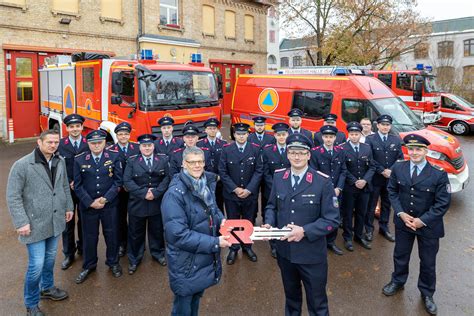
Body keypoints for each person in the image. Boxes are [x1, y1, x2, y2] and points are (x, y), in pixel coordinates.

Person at [263, 133, 339, 316]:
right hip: (285, 253)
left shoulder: (322, 181)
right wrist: (268, 223)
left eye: (301, 152)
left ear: (308, 155)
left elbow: (332, 219)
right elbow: (272, 206)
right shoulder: (279, 177)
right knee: (291, 299)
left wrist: (304, 231)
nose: (297, 157)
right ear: (287, 154)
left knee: (317, 302)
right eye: (293, 152)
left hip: (311, 255)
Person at [7, 129, 74, 316]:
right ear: (39, 142)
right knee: (36, 265)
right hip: (33, 225)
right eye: (49, 142)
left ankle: (47, 288)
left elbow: (63, 187)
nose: (53, 145)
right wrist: (21, 222)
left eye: (56, 142)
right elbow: (13, 197)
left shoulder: (59, 161)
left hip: (55, 221)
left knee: (50, 259)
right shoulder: (22, 165)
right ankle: (31, 303)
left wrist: (69, 207)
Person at [383, 134, 451, 315]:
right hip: (403, 222)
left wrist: (422, 221)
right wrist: (400, 213)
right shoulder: (399, 167)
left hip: (429, 226)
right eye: (411, 149)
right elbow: (392, 191)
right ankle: (398, 281)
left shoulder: (438, 173)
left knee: (428, 262)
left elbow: (442, 203)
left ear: (426, 151)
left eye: (418, 149)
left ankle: (427, 293)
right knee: (400, 255)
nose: (414, 153)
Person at [161, 146, 232, 316]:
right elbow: (178, 235)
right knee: (183, 308)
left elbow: (213, 209)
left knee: (195, 301)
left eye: (200, 162)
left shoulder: (203, 184)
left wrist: (222, 220)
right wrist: (215, 242)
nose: (197, 166)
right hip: (186, 262)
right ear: (184, 164)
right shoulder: (174, 195)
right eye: (192, 162)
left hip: (201, 258)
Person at [73, 130, 123, 284]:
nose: (96, 145)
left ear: (104, 143)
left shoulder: (114, 156)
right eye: (93, 143)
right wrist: (90, 202)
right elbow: (77, 185)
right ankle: (89, 265)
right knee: (89, 237)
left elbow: (118, 182)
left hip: (109, 206)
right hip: (88, 207)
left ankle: (113, 262)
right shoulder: (79, 159)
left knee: (112, 235)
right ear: (88, 143)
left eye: (99, 142)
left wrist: (105, 199)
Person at [123, 134, 170, 273]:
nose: (147, 148)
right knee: (135, 233)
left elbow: (167, 178)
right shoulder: (132, 161)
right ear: (140, 147)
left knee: (157, 230)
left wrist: (155, 193)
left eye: (149, 145)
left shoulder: (162, 159)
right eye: (144, 145)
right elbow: (127, 181)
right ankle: (134, 258)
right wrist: (144, 193)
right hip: (138, 203)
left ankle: (158, 253)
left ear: (153, 146)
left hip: (156, 202)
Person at [218, 122, 263, 265]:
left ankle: (247, 246)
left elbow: (259, 171)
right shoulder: (226, 150)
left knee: (248, 221)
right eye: (238, 134)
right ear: (234, 135)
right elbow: (223, 172)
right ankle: (233, 247)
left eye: (244, 134)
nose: (241, 136)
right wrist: (235, 189)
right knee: (232, 221)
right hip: (232, 195)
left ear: (248, 135)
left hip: (250, 194)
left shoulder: (255, 149)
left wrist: (249, 189)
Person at [364, 115, 404, 243]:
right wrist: (382, 170)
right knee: (371, 204)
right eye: (383, 124)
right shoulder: (370, 139)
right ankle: (369, 229)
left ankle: (384, 227)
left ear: (390, 126)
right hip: (375, 178)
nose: (385, 127)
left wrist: (391, 170)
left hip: (390, 179)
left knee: (387, 204)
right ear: (378, 125)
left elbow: (400, 157)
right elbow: (369, 158)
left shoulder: (396, 139)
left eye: (387, 125)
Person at [310, 125, 347, 255]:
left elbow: (343, 171)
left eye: (331, 137)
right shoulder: (315, 152)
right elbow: (314, 172)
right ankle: (320, 241)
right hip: (321, 192)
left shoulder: (340, 151)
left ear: (335, 138)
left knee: (334, 216)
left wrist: (339, 188)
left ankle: (331, 241)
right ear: (322, 137)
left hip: (337, 192)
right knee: (319, 216)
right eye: (326, 137)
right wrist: (326, 189)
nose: (328, 139)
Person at [58, 114, 88, 270]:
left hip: (84, 189)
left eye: (78, 126)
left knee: (84, 220)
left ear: (82, 127)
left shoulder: (88, 143)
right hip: (67, 189)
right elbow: (58, 167)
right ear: (67, 128)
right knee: (67, 222)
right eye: (71, 126)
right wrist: (69, 181)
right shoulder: (60, 145)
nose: (75, 129)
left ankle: (83, 249)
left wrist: (79, 182)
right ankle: (68, 254)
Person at [340, 122, 375, 251]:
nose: (354, 136)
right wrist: (355, 181)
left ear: (361, 135)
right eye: (352, 134)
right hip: (350, 187)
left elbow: (372, 166)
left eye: (356, 134)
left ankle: (359, 236)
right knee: (348, 213)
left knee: (362, 212)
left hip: (364, 187)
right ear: (348, 134)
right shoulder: (342, 148)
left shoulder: (366, 148)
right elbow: (343, 168)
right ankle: (348, 237)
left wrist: (365, 180)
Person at [107, 122, 140, 257]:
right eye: (120, 134)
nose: (123, 136)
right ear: (116, 135)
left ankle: (135, 244)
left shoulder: (137, 148)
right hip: (119, 191)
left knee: (135, 218)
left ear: (129, 135)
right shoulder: (111, 151)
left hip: (134, 190)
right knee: (119, 218)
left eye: (126, 134)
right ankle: (122, 243)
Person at [261, 122, 291, 258]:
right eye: (278, 135)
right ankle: (273, 245)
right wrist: (275, 186)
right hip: (271, 190)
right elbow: (265, 172)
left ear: (287, 135)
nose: (281, 137)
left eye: (283, 134)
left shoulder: (292, 150)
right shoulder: (268, 150)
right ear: (274, 135)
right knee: (272, 217)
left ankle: (285, 241)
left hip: (290, 190)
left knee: (286, 216)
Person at [197, 118, 227, 211]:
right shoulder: (199, 144)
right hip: (205, 180)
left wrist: (221, 176)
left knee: (219, 204)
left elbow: (225, 163)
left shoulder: (224, 144)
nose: (212, 130)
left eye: (214, 128)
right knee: (205, 205)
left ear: (217, 130)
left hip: (220, 180)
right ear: (205, 130)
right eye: (209, 128)